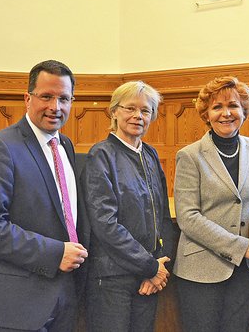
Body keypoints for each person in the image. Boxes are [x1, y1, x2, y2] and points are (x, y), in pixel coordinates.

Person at [0, 60, 89, 331]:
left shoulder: (64, 145)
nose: (55, 107)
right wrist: (55, 253)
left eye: (64, 99)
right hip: (14, 302)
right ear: (27, 98)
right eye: (46, 96)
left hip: (62, 294)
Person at [172, 76, 249, 332]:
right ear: (206, 114)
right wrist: (242, 247)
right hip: (201, 270)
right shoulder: (189, 155)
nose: (226, 113)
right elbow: (188, 217)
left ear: (244, 111)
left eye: (233, 105)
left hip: (246, 270)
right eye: (217, 107)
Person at [81, 81, 174, 332]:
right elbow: (105, 224)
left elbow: (163, 216)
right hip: (112, 278)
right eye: (130, 108)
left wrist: (159, 265)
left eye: (145, 111)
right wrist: (150, 266)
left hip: (148, 277)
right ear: (114, 111)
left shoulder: (151, 155)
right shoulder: (101, 155)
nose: (137, 116)